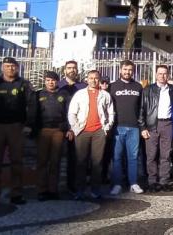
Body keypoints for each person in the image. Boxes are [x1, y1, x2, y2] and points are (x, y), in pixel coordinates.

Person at [0, 57, 32, 207]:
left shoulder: (24, 84)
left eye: (13, 66)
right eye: (7, 66)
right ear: (2, 68)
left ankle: (16, 193)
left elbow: (31, 105)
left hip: (16, 126)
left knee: (17, 161)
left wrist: (28, 125)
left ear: (17, 68)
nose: (10, 68)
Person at [68, 70, 115, 199]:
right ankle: (80, 190)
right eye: (91, 78)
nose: (93, 80)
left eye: (96, 78)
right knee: (81, 162)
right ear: (87, 80)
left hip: (99, 132)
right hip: (82, 131)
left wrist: (107, 127)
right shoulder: (80, 94)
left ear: (99, 80)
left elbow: (111, 112)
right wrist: (75, 127)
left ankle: (95, 190)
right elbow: (72, 112)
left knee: (97, 162)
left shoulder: (105, 95)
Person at [29, 71, 72, 201]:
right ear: (45, 81)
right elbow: (32, 112)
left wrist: (69, 128)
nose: (50, 82)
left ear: (57, 81)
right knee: (42, 161)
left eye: (53, 80)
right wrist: (29, 126)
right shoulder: (38, 94)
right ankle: (42, 190)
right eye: (48, 80)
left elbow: (69, 112)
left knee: (55, 161)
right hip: (43, 131)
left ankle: (53, 190)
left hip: (58, 131)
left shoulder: (64, 94)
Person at [139, 64, 173, 191]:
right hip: (152, 125)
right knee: (151, 155)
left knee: (165, 155)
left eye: (165, 73)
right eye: (160, 73)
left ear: (168, 75)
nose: (162, 76)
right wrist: (143, 127)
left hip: (167, 124)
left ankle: (164, 181)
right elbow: (141, 109)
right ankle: (152, 181)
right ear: (156, 74)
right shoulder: (147, 90)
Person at [108, 60, 144, 195]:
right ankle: (117, 184)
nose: (127, 72)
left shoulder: (138, 86)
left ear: (133, 71)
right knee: (117, 157)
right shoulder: (112, 86)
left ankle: (133, 183)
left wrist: (141, 126)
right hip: (117, 127)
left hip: (134, 127)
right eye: (125, 69)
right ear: (120, 70)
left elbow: (141, 108)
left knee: (133, 157)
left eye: (130, 70)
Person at [59, 60, 86, 195]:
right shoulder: (59, 86)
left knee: (75, 158)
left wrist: (74, 127)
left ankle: (73, 185)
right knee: (55, 157)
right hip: (59, 126)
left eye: (74, 68)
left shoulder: (83, 86)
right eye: (69, 68)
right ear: (65, 70)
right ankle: (53, 186)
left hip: (77, 127)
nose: (72, 70)